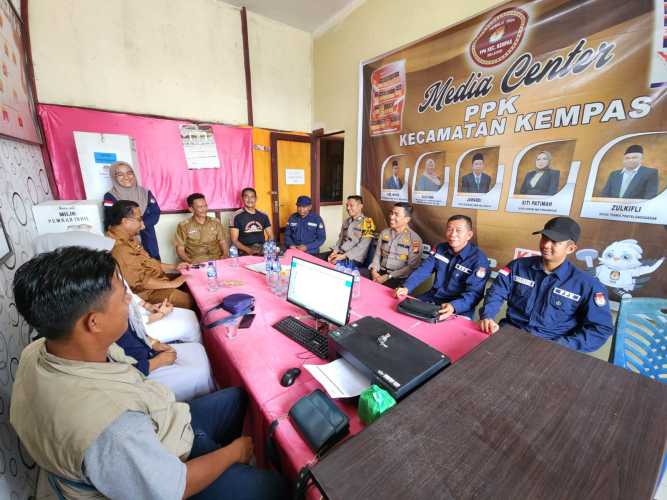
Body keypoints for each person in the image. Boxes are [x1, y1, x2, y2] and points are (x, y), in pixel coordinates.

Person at [11, 247, 287, 500]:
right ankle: (226, 467)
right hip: (172, 464)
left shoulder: (36, 351)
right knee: (273, 486)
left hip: (163, 425)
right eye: (123, 297)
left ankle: (219, 460)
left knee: (239, 398)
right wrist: (233, 453)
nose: (130, 302)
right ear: (93, 322)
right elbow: (172, 489)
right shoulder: (113, 428)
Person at [479, 217, 614, 353]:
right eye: (544, 238)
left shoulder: (587, 285)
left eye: (555, 242)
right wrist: (488, 316)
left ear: (571, 248)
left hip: (551, 347)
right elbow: (496, 292)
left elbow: (600, 329)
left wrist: (564, 345)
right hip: (509, 334)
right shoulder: (518, 266)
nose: (546, 245)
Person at [117, 295, 215, 402]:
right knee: (199, 372)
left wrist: (154, 343)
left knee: (197, 349)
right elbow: (118, 377)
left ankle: (205, 393)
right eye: (121, 294)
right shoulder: (101, 346)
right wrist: (158, 361)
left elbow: (133, 329)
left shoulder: (116, 314)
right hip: (141, 373)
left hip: (146, 350)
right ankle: (198, 403)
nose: (128, 298)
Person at [396, 215, 489, 320]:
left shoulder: (479, 260)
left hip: (458, 306)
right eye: (449, 229)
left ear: (469, 235)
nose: (453, 234)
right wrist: (406, 287)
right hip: (433, 298)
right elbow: (423, 270)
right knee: (402, 313)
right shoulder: (440, 248)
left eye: (458, 230)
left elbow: (474, 293)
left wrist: (454, 306)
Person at [106, 200, 195, 310]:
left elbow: (149, 262)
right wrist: (172, 284)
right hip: (149, 293)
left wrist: (174, 267)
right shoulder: (120, 248)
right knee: (194, 301)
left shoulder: (130, 239)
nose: (143, 225)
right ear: (125, 221)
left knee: (194, 282)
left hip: (158, 281)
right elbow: (140, 283)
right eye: (139, 219)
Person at [104, 161, 162, 260]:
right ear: (114, 177)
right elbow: (111, 219)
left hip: (147, 234)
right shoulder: (110, 196)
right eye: (120, 174)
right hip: (126, 240)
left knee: (154, 264)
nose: (126, 177)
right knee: (133, 267)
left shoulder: (145, 192)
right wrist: (133, 226)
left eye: (129, 173)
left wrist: (144, 223)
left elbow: (155, 212)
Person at [367, 202, 422, 288]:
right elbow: (377, 255)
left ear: (407, 219)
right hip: (379, 273)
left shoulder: (415, 240)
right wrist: (374, 271)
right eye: (391, 213)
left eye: (396, 214)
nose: (391, 217)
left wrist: (388, 276)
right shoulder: (384, 233)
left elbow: (412, 266)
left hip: (397, 279)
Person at [176, 193, 229, 264]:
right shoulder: (183, 226)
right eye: (200, 207)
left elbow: (223, 241)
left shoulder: (215, 222)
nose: (204, 209)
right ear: (191, 209)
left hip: (216, 258)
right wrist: (190, 262)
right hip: (196, 260)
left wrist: (225, 255)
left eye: (205, 206)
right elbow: (180, 248)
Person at [328, 195, 375, 267]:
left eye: (351, 205)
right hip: (341, 253)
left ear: (360, 206)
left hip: (354, 258)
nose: (348, 208)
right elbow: (340, 239)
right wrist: (334, 252)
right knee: (322, 261)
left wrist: (343, 256)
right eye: (347, 205)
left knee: (333, 267)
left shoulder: (368, 223)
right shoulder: (347, 221)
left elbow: (362, 247)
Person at [230, 187, 273, 255]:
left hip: (261, 249)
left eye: (252, 197)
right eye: (246, 197)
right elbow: (234, 240)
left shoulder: (264, 215)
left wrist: (266, 247)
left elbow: (270, 236)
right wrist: (248, 250)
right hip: (244, 250)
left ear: (256, 199)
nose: (249, 199)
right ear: (242, 199)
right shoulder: (236, 216)